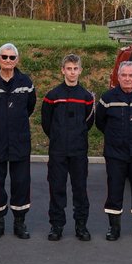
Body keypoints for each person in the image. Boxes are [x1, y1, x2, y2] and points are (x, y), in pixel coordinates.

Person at [0, 43, 37, 239]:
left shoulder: (25, 82)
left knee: (21, 183)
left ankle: (20, 223)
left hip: (19, 142)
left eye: (12, 57)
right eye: (4, 57)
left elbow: (30, 107)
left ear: (17, 60)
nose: (8, 60)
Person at [95, 61, 132, 241]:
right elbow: (100, 122)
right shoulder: (108, 98)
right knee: (114, 192)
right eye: (124, 75)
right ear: (118, 77)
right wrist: (115, 137)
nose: (127, 79)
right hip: (115, 154)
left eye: (131, 75)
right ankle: (114, 229)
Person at [41, 54, 95, 241]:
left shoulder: (86, 97)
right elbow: (46, 123)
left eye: (75, 69)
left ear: (80, 71)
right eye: (69, 68)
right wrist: (57, 137)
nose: (72, 72)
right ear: (62, 70)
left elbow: (88, 122)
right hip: (58, 151)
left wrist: (77, 136)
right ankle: (56, 226)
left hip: (79, 151)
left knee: (80, 190)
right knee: (57, 189)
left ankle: (81, 226)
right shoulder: (52, 96)